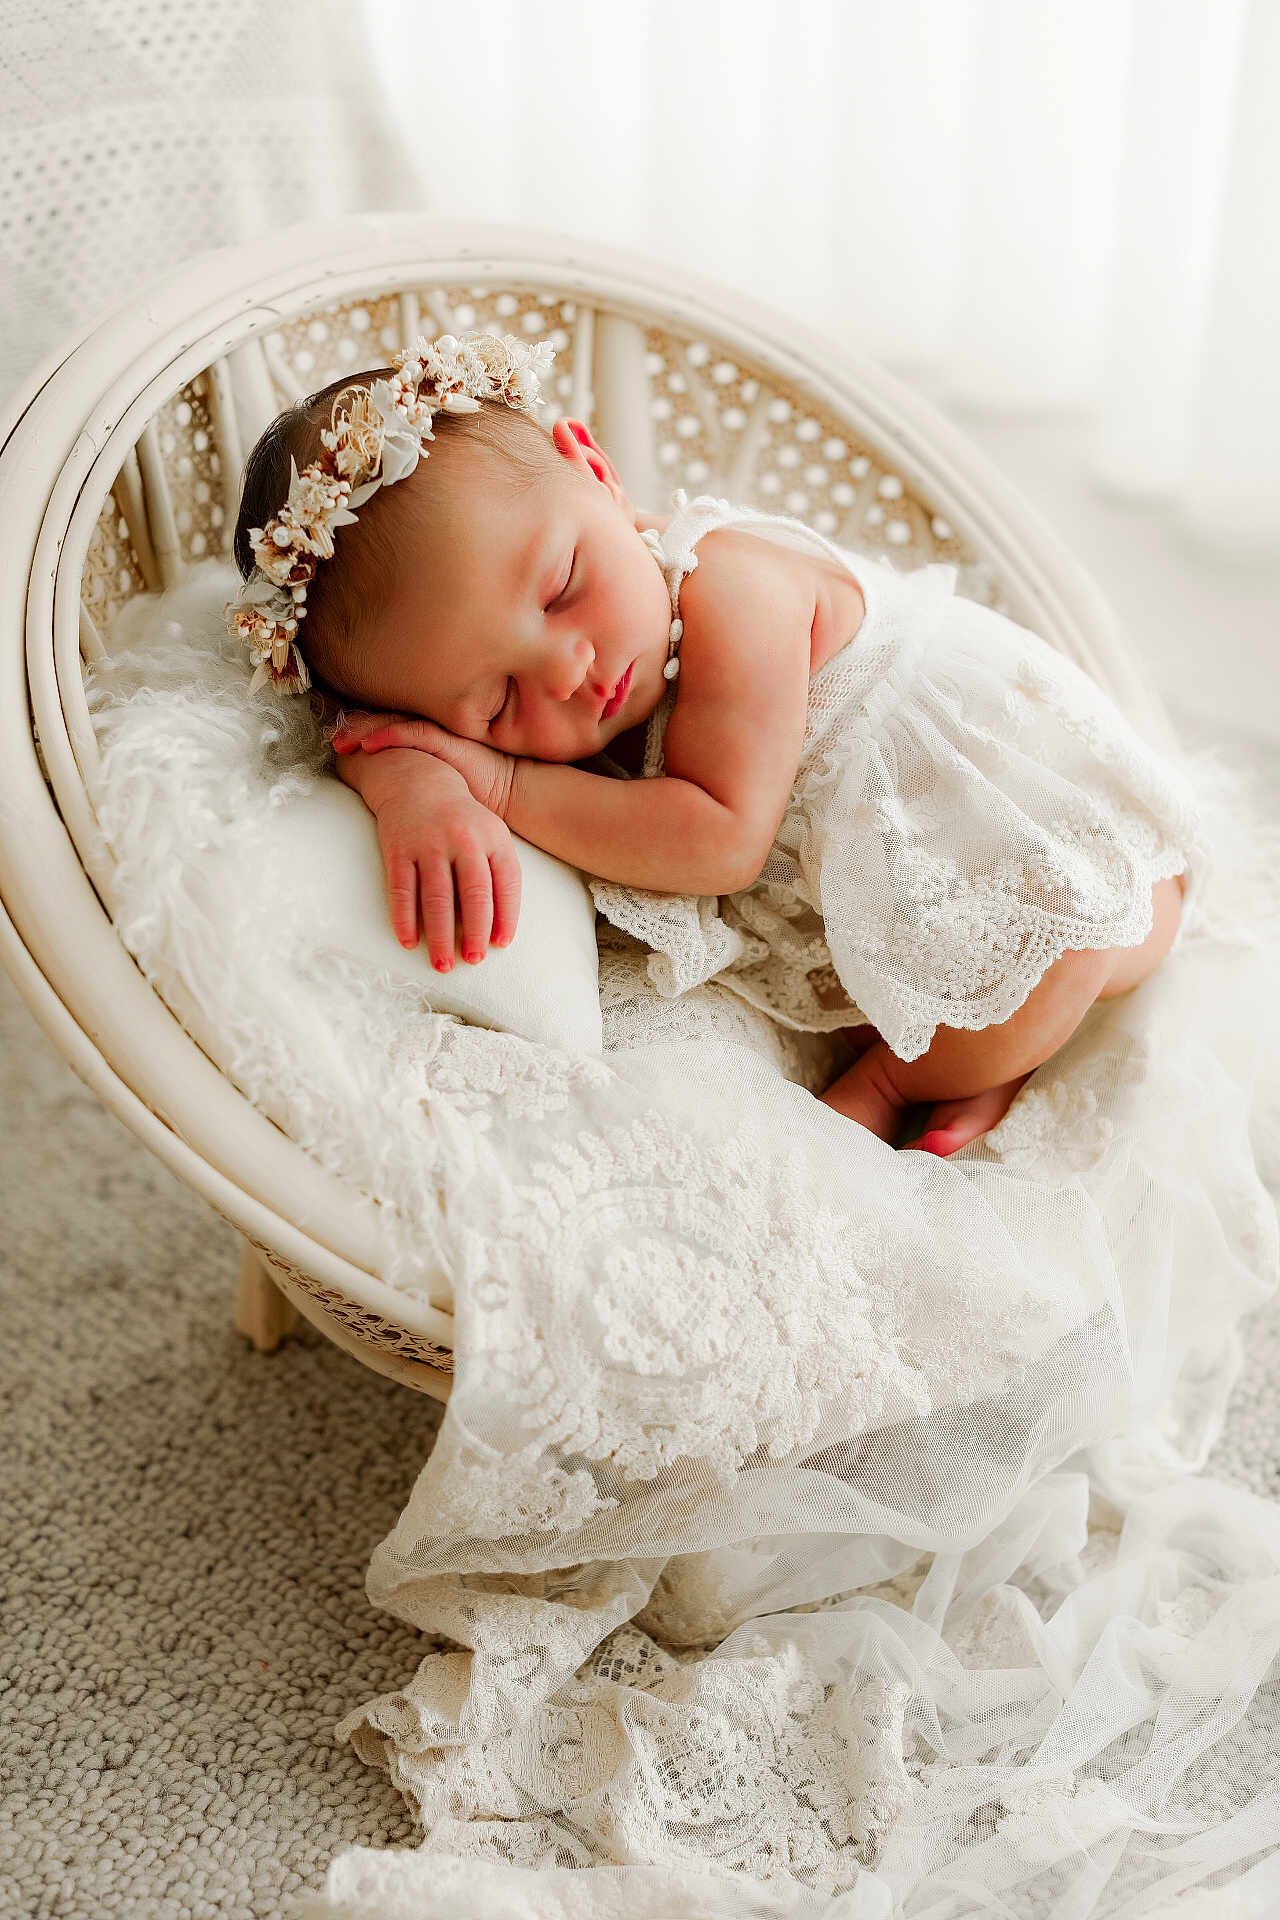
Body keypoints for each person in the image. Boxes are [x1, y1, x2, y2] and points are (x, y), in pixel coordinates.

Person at [228, 331, 1200, 1156]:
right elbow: (364, 732)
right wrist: (419, 784)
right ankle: (980, 1052)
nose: (566, 668)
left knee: (1068, 936)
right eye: (493, 703)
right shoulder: (519, 653)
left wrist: (496, 778)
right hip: (886, 887)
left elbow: (717, 842)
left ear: (598, 475)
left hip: (1043, 822)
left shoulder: (731, 589)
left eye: (563, 584)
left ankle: (904, 1085)